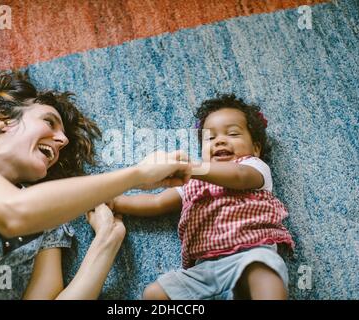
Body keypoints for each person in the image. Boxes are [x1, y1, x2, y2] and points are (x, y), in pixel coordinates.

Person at [0, 71, 190, 299]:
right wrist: (137, 175)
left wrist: (107, 239)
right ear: (3, 119)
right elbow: (13, 212)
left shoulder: (50, 226)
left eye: (63, 136)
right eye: (49, 121)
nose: (63, 140)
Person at [112, 94, 295, 300]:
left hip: (251, 253)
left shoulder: (253, 166)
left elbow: (239, 176)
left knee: (264, 272)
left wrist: (193, 167)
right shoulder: (192, 182)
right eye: (210, 138)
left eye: (233, 134)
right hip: (204, 270)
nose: (220, 141)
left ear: (256, 148)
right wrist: (116, 202)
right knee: (154, 293)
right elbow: (157, 201)